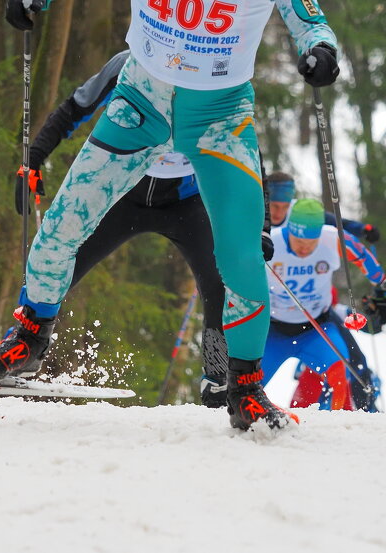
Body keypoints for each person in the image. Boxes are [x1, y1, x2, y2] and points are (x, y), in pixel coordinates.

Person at [0, 0, 339, 432]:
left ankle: (243, 383)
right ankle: (28, 336)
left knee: (241, 255)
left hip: (219, 115)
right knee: (63, 220)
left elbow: (309, 20)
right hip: (141, 97)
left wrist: (319, 53)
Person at [15, 49, 261, 408]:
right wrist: (33, 159)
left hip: (185, 201)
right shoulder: (131, 61)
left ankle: (219, 380)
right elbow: (75, 108)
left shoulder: (215, 71)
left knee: (219, 282)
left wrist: (262, 227)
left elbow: (245, 152)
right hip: (124, 193)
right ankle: (20, 346)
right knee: (59, 258)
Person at [261, 198, 386, 410]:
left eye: (311, 244)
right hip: (272, 330)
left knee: (340, 375)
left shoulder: (330, 239)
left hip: (316, 328)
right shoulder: (272, 243)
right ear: (289, 232)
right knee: (247, 382)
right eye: (299, 243)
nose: (305, 249)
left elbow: (363, 256)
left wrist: (383, 292)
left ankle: (338, 427)